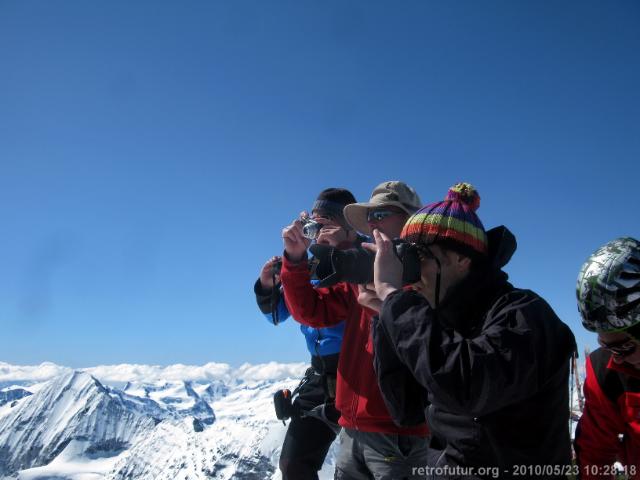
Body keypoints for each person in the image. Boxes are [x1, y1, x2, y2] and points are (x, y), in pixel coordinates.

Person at [366, 182, 576, 478]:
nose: (410, 269)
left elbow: (467, 388)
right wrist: (385, 317)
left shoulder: (523, 314)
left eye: (420, 255)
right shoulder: (437, 318)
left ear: (462, 259)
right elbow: (406, 408)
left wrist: (394, 301)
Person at [280, 181, 430, 480]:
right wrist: (296, 259)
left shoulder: (427, 269)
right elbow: (312, 312)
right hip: (355, 422)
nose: (373, 223)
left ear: (410, 220)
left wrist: (349, 251)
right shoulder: (364, 268)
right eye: (369, 217)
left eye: (382, 214)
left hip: (397, 429)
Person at [254, 188, 361, 480]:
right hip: (321, 374)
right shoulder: (310, 264)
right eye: (315, 224)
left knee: (363, 466)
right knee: (293, 465)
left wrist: (296, 262)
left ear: (348, 224)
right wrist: (268, 286)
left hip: (358, 371)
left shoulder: (361, 260)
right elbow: (278, 314)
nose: (318, 232)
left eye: (326, 222)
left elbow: (316, 310)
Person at [574, 237, 640, 479]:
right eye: (606, 346)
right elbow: (594, 452)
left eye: (624, 348)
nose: (617, 360)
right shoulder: (606, 373)